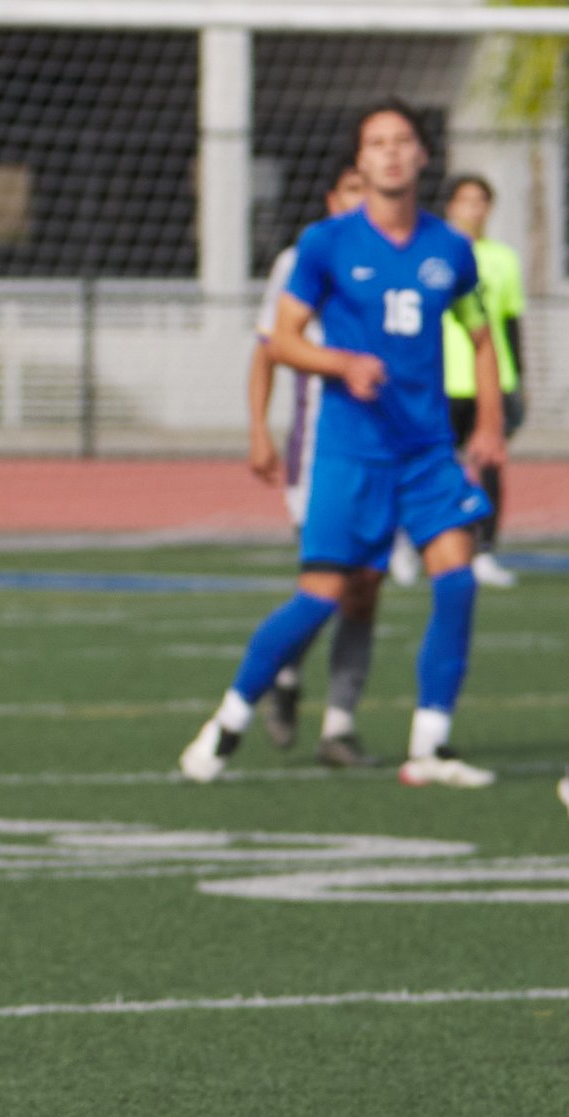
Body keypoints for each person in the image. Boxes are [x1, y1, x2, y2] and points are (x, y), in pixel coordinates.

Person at [181, 100, 505, 791]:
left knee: (457, 578)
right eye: (375, 143)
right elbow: (283, 341)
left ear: (423, 156)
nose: (389, 153)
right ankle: (229, 720)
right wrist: (342, 364)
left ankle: (431, 746)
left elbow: (479, 335)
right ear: (359, 162)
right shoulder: (325, 245)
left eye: (402, 141)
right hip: (350, 452)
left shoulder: (449, 249)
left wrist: (487, 422)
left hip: (424, 452)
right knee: (322, 596)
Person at [247, 163, 381, 767]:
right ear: (334, 197)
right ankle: (284, 673)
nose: (363, 199)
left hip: (389, 457)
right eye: (353, 188)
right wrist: (258, 429)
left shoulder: (403, 256)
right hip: (318, 457)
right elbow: (268, 350)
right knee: (323, 587)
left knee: (366, 590)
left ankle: (339, 725)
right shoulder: (303, 259)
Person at [440, 174, 525, 589]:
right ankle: (413, 541)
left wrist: (518, 380)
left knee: (489, 466)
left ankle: (485, 550)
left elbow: (509, 324)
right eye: (465, 200)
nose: (473, 209)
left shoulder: (503, 259)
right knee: (433, 466)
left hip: (491, 381)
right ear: (450, 207)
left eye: (480, 201)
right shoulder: (437, 255)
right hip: (445, 379)